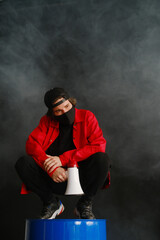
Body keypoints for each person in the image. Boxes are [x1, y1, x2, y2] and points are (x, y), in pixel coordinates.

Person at [15, 87, 110, 219]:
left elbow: (99, 145)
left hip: (82, 176)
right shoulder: (46, 121)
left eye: (67, 106)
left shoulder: (87, 116)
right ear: (52, 113)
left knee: (102, 159)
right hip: (55, 178)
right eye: (59, 111)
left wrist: (62, 159)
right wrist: (52, 168)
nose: (65, 111)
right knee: (23, 163)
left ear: (71, 102)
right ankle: (51, 203)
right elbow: (32, 145)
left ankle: (84, 204)